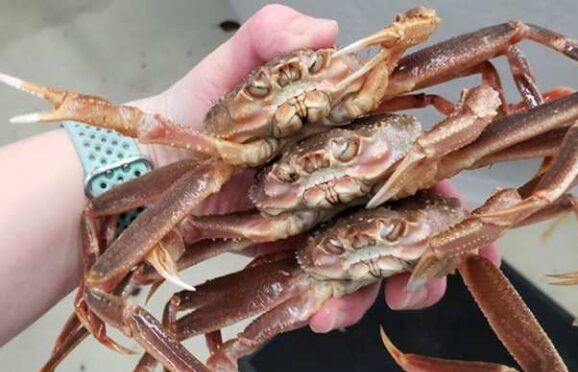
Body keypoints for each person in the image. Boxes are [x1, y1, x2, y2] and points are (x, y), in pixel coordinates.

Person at [0, 4, 497, 346]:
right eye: (261, 93)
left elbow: (469, 63)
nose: (292, 96)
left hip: (392, 169)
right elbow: (145, 159)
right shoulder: (215, 168)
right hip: (254, 200)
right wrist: (152, 152)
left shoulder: (381, 94)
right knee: (146, 292)